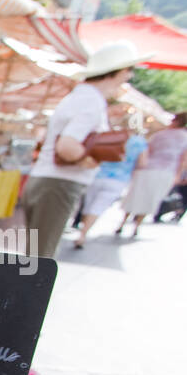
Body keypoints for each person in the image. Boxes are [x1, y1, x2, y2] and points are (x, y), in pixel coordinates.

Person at [19, 42, 142, 259]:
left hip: (50, 181)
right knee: (40, 258)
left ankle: (24, 292)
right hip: (57, 182)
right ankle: (25, 294)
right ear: (119, 71)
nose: (129, 76)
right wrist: (89, 160)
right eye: (129, 70)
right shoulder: (90, 100)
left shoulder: (83, 97)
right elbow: (67, 146)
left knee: (37, 255)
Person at [74, 128, 146, 248]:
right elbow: (142, 163)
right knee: (97, 207)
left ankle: (82, 230)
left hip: (97, 174)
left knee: (88, 205)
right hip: (118, 179)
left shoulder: (109, 136)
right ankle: (83, 234)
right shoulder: (139, 142)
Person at [119, 112, 187, 237]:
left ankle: (122, 223)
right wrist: (179, 175)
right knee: (151, 198)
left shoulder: (159, 134)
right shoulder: (184, 138)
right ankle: (136, 226)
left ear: (176, 121)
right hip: (166, 172)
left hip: (147, 169)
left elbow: (147, 151)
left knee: (135, 195)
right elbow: (183, 160)